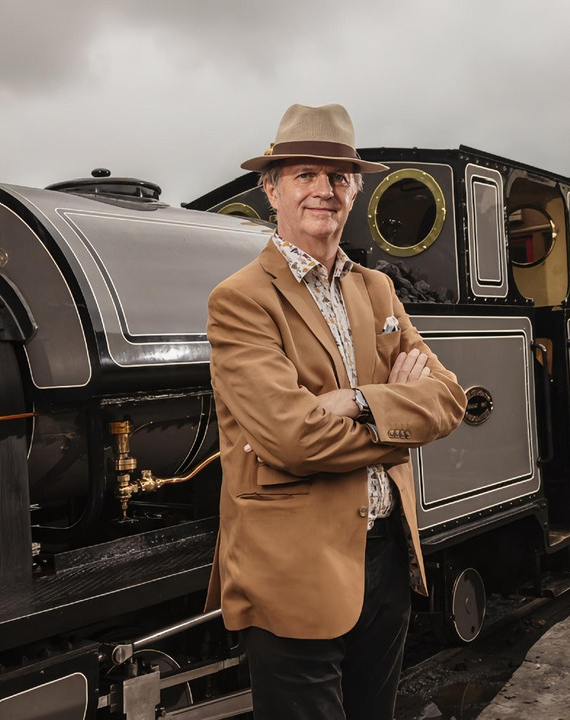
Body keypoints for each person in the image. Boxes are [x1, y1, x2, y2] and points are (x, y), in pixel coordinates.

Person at [204, 104, 467, 720]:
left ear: (354, 191)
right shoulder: (241, 300)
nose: (323, 190)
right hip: (294, 571)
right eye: (304, 175)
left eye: (339, 177)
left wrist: (355, 402)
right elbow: (294, 439)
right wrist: (401, 426)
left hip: (384, 561)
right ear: (271, 190)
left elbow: (449, 397)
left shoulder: (374, 288)